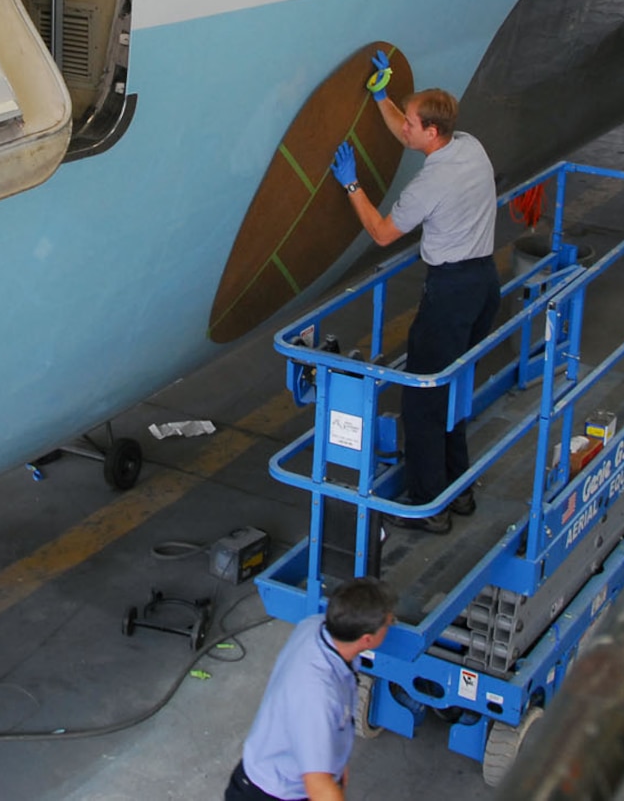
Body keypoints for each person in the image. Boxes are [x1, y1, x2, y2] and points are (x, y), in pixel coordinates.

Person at [332, 54, 500, 533]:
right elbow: (408, 134)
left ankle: (430, 506)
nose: (403, 129)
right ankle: (459, 490)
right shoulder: (469, 146)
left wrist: (351, 186)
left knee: (422, 399)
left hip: (449, 294)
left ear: (431, 132)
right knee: (453, 389)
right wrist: (382, 98)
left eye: (409, 122)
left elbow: (383, 233)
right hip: (484, 282)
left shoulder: (430, 183)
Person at [226, 577, 398, 801]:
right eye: (389, 622)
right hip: (272, 792)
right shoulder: (318, 696)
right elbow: (318, 785)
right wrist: (331, 780)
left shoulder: (316, 626)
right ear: (366, 639)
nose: (392, 623)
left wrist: (337, 765)